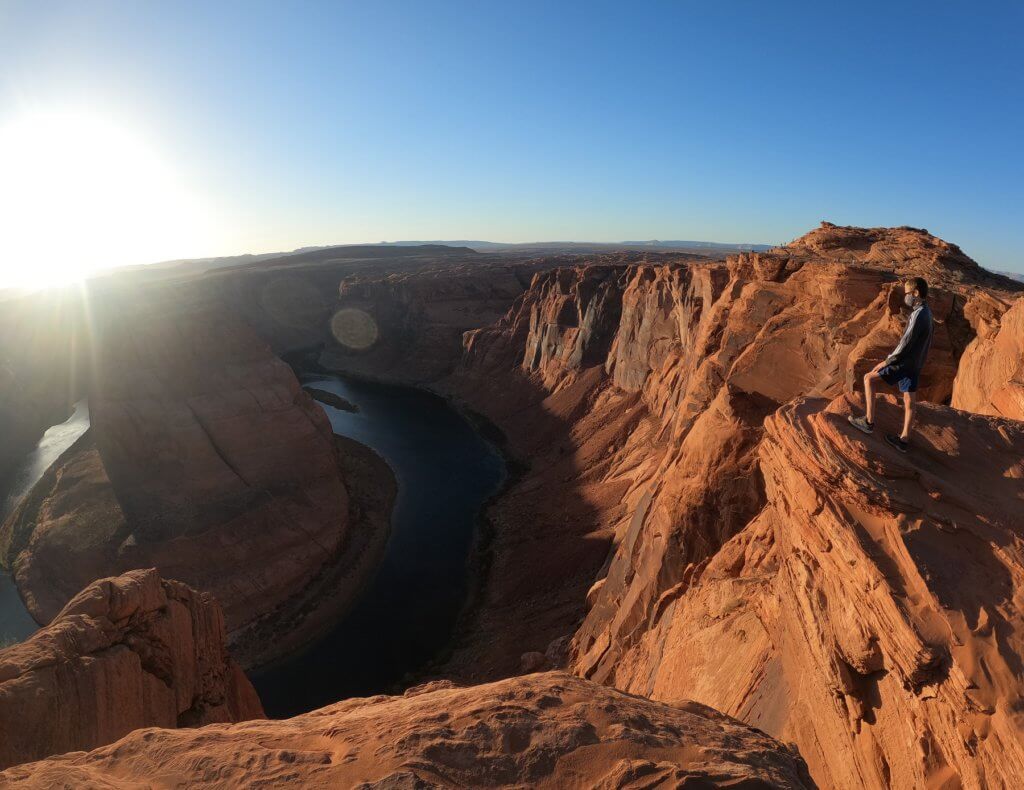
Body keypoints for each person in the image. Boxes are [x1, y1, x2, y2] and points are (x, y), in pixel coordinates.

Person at [848, 277, 933, 453]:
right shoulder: (927, 312)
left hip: (905, 362)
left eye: (907, 293)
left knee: (868, 378)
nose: (906, 297)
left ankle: (868, 422)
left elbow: (905, 342)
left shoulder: (918, 315)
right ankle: (903, 441)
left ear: (916, 293)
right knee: (910, 401)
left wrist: (887, 361)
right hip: (916, 363)